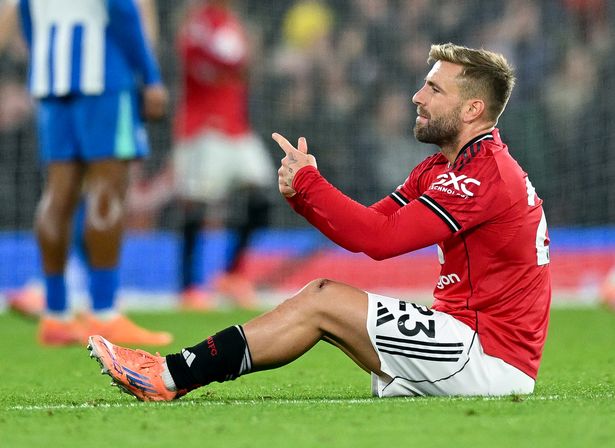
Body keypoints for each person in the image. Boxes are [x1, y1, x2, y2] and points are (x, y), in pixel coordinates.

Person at [87, 43, 551, 399]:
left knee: (322, 300)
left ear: (472, 109)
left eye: (434, 89)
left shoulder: (482, 175)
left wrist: (310, 183)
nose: (418, 96)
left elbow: (381, 240)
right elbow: (367, 226)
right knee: (322, 305)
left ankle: (167, 375)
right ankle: (170, 375)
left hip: (486, 356)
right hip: (469, 341)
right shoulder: (445, 167)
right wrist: (303, 197)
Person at [15, 0, 172, 346]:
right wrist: (150, 76)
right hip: (103, 77)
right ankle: (104, 312)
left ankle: (55, 315)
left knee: (57, 194)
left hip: (51, 78)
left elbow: (25, 12)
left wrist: (46, 53)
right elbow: (122, 10)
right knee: (107, 190)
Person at [172, 0, 274, 310]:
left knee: (264, 196)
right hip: (204, 128)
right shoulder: (199, 23)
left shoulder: (230, 21)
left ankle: (232, 274)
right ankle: (188, 286)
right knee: (197, 204)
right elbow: (227, 60)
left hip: (236, 128)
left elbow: (242, 66)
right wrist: (244, 53)